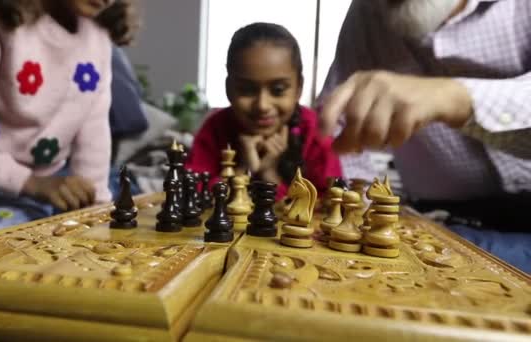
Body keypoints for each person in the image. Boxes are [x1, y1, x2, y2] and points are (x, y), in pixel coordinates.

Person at [319, 0, 531, 272]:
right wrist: (362, 210)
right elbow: (339, 127)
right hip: (439, 226)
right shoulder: (368, 11)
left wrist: (455, 98)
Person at [0, 0, 135, 247]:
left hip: (27, 193)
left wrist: (96, 212)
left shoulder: (98, 39)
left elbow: (93, 134)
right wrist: (30, 181)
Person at [186, 22, 342, 199]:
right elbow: (191, 194)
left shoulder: (314, 132)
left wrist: (269, 174)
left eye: (278, 90)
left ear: (299, 88)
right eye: (246, 90)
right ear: (229, 89)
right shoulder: (216, 127)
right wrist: (244, 167)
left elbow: (330, 206)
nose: (262, 105)